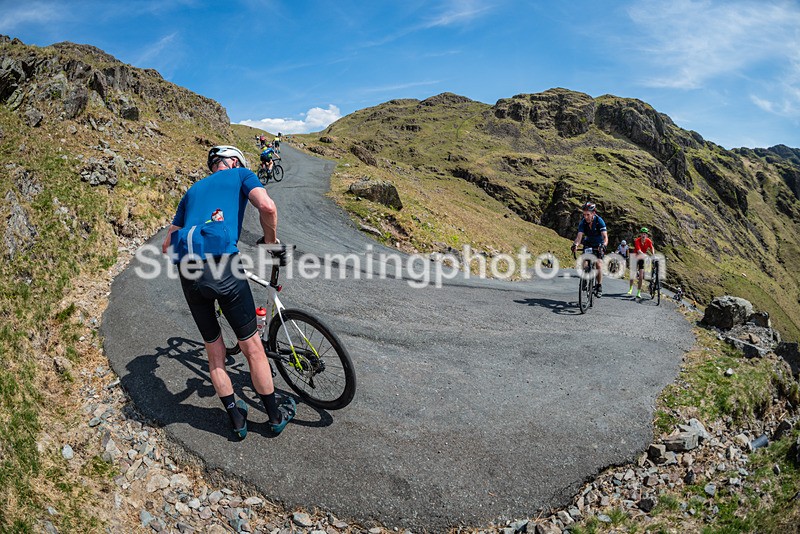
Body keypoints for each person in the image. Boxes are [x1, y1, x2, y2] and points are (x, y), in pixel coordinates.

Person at [161, 145, 295, 439]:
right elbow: (268, 207)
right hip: (224, 266)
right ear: (233, 161)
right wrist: (270, 243)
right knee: (252, 347)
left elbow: (167, 245)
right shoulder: (242, 175)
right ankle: (274, 416)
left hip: (188, 271)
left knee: (215, 353)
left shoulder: (191, 191)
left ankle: (236, 419)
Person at [570, 201, 608, 297]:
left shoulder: (599, 221)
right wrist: (575, 245)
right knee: (584, 263)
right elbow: (579, 237)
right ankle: (585, 278)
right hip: (588, 244)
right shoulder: (583, 222)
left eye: (588, 215)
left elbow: (605, 237)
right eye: (584, 215)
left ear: (593, 213)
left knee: (598, 264)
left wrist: (603, 245)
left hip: (599, 245)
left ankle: (599, 286)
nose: (585, 217)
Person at [628, 227, 655, 298]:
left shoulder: (648, 241)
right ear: (640, 234)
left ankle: (638, 292)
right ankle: (630, 288)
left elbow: (651, 247)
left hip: (642, 258)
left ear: (646, 236)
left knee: (641, 276)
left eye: (645, 234)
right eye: (642, 234)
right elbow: (639, 251)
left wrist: (653, 254)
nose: (643, 235)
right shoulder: (637, 240)